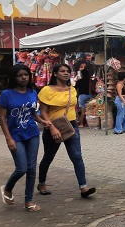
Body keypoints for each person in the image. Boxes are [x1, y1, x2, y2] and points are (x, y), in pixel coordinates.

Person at [37, 64, 96, 198]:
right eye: (62, 71)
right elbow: (43, 112)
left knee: (77, 156)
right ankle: (41, 183)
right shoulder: (47, 90)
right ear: (55, 74)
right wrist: (51, 127)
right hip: (53, 126)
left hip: (71, 126)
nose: (66, 73)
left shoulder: (72, 90)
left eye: (67, 71)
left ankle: (83, 187)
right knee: (48, 157)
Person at [0, 64, 52, 212]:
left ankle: (28, 201)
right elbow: (2, 118)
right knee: (21, 168)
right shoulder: (7, 94)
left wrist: (41, 121)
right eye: (20, 75)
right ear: (14, 77)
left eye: (26, 75)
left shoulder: (32, 92)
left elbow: (32, 112)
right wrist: (8, 138)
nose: (24, 77)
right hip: (15, 135)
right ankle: (8, 187)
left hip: (32, 134)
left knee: (31, 168)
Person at [74, 62, 93, 128]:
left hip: (82, 96)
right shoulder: (90, 80)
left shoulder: (80, 81)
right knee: (90, 110)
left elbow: (75, 89)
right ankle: (88, 123)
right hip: (89, 95)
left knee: (82, 111)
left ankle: (81, 123)